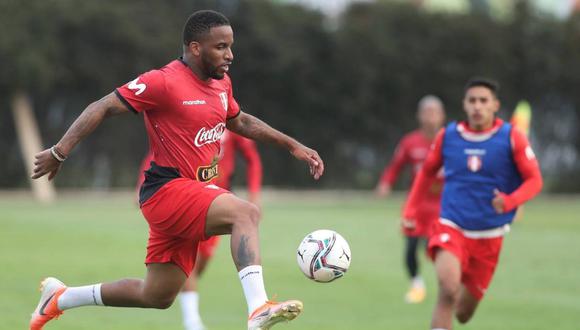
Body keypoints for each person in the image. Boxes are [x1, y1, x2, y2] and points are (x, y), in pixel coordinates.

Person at [29, 10, 323, 330]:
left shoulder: (222, 83)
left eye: (230, 46)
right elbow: (101, 107)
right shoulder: (163, 81)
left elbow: (239, 120)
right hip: (166, 190)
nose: (230, 55)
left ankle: (60, 297)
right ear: (195, 48)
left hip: (190, 195)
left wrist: (292, 145)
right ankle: (258, 308)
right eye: (221, 47)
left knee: (157, 295)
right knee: (246, 213)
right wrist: (59, 152)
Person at [404, 78, 542, 329]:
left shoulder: (512, 138)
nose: (477, 106)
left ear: (495, 105)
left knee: (464, 313)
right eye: (472, 101)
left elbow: (535, 180)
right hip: (451, 225)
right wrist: (410, 210)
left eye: (483, 101)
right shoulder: (449, 136)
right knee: (448, 288)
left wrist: (510, 201)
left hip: (490, 236)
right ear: (464, 105)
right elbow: (426, 173)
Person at [376, 95, 446, 304]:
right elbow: (394, 166)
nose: (430, 117)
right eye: (426, 112)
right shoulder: (410, 142)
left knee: (439, 249)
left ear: (442, 116)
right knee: (411, 247)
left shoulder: (450, 141)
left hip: (443, 206)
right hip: (415, 205)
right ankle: (416, 285)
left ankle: (448, 286)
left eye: (434, 112)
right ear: (419, 116)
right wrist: (385, 183)